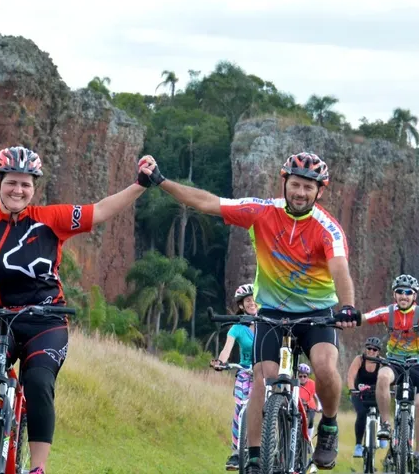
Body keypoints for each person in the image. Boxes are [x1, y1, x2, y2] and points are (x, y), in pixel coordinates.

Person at [0, 146, 149, 474]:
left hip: (46, 320)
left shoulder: (51, 219)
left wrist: (141, 184)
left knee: (38, 382)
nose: (18, 190)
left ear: (34, 188)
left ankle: (38, 467)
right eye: (11, 183)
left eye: (26, 184)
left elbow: (100, 211)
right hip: (1, 317)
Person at [140, 151, 361, 472]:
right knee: (263, 380)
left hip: (317, 314)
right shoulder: (261, 211)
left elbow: (340, 269)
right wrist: (160, 181)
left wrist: (348, 307)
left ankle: (327, 426)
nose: (301, 193)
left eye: (308, 188)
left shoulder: (328, 228)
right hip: (271, 311)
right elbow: (207, 202)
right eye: (296, 184)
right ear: (284, 182)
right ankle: (254, 457)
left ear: (320, 192)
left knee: (326, 369)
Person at [363, 274, 419, 473]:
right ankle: (385, 425)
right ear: (394, 294)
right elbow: (365, 317)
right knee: (383, 377)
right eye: (400, 292)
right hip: (394, 363)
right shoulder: (388, 312)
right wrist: (349, 317)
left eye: (408, 292)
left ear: (414, 296)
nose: (404, 295)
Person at [211, 283, 258, 471]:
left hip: (264, 373)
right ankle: (236, 452)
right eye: (247, 301)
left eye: (254, 299)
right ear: (241, 306)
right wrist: (221, 362)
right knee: (240, 408)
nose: (251, 303)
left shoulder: (268, 324)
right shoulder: (237, 329)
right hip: (245, 372)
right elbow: (227, 349)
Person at [347, 336, 383, 458]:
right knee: (361, 413)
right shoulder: (359, 360)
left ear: (378, 352)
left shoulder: (381, 362)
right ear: (365, 349)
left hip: (375, 393)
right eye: (369, 348)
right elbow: (351, 376)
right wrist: (352, 389)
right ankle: (358, 445)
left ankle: (382, 431)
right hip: (359, 393)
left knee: (383, 407)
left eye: (374, 349)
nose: (371, 351)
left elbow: (386, 380)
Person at [298, 363, 324, 438]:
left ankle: (308, 439)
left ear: (307, 376)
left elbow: (316, 396)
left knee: (310, 420)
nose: (302, 378)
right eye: (300, 376)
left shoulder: (312, 384)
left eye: (304, 376)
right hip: (297, 405)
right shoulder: (294, 383)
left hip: (309, 406)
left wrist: (319, 407)